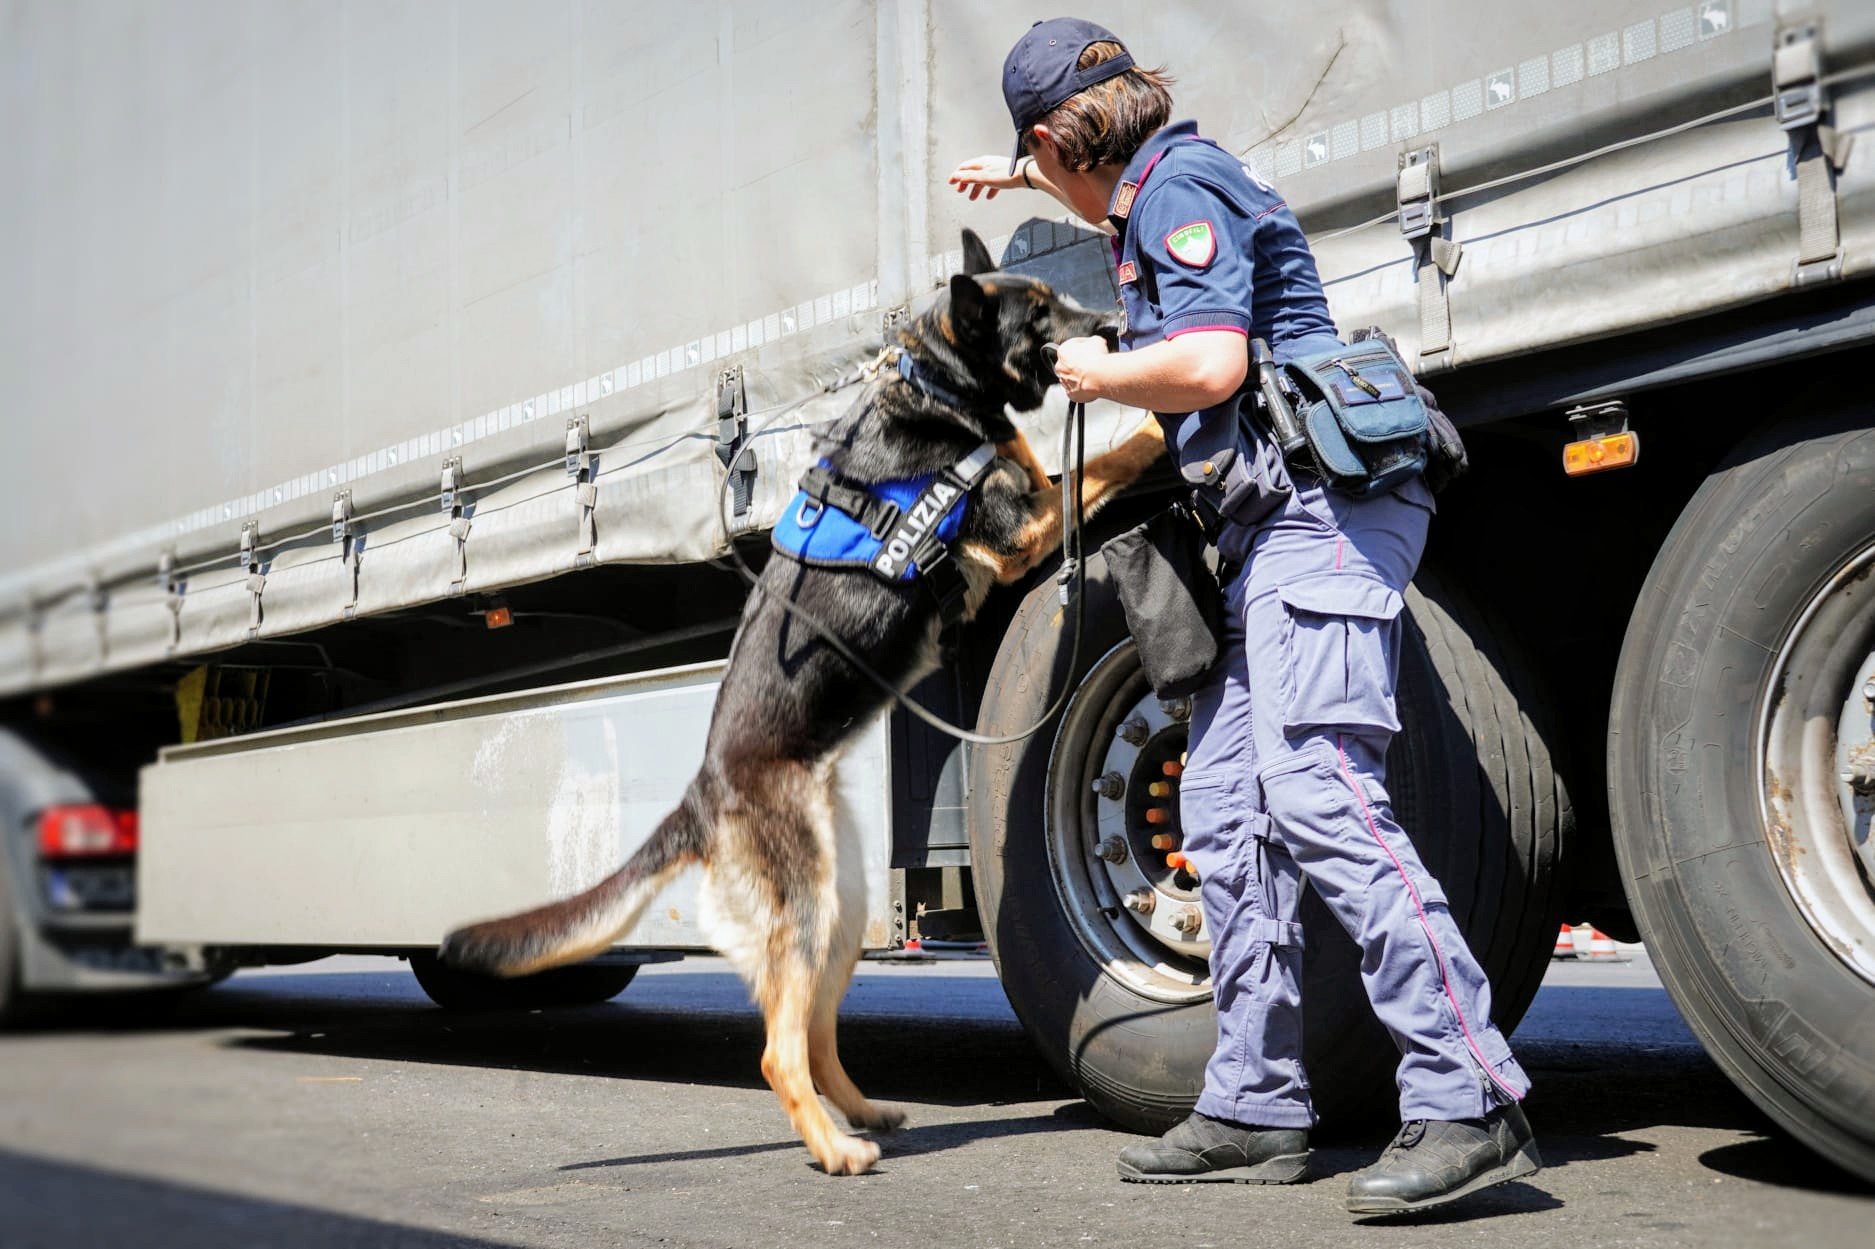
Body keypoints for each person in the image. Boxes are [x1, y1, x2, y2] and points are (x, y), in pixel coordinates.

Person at [948, 18, 1542, 1215]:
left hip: (1320, 514)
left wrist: (1099, 372)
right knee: (1224, 806)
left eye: (1040, 161)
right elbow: (1096, 181)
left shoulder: (1181, 188)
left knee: (1319, 787)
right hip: (1264, 528)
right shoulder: (1147, 178)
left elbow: (1214, 364)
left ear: (1073, 141)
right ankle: (1256, 1104)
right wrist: (1016, 174)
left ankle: (1470, 1093)